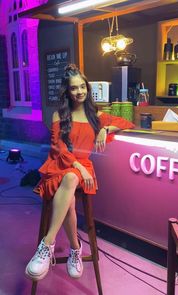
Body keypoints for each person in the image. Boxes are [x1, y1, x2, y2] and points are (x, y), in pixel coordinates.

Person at [25, 64, 135, 281]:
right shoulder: (59, 115)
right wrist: (78, 167)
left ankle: (47, 245)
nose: (79, 92)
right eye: (74, 88)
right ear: (67, 91)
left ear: (87, 87)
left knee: (71, 179)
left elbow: (127, 123)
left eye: (82, 87)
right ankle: (74, 247)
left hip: (80, 169)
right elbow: (58, 148)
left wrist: (105, 128)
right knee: (70, 184)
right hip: (61, 164)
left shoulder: (96, 116)